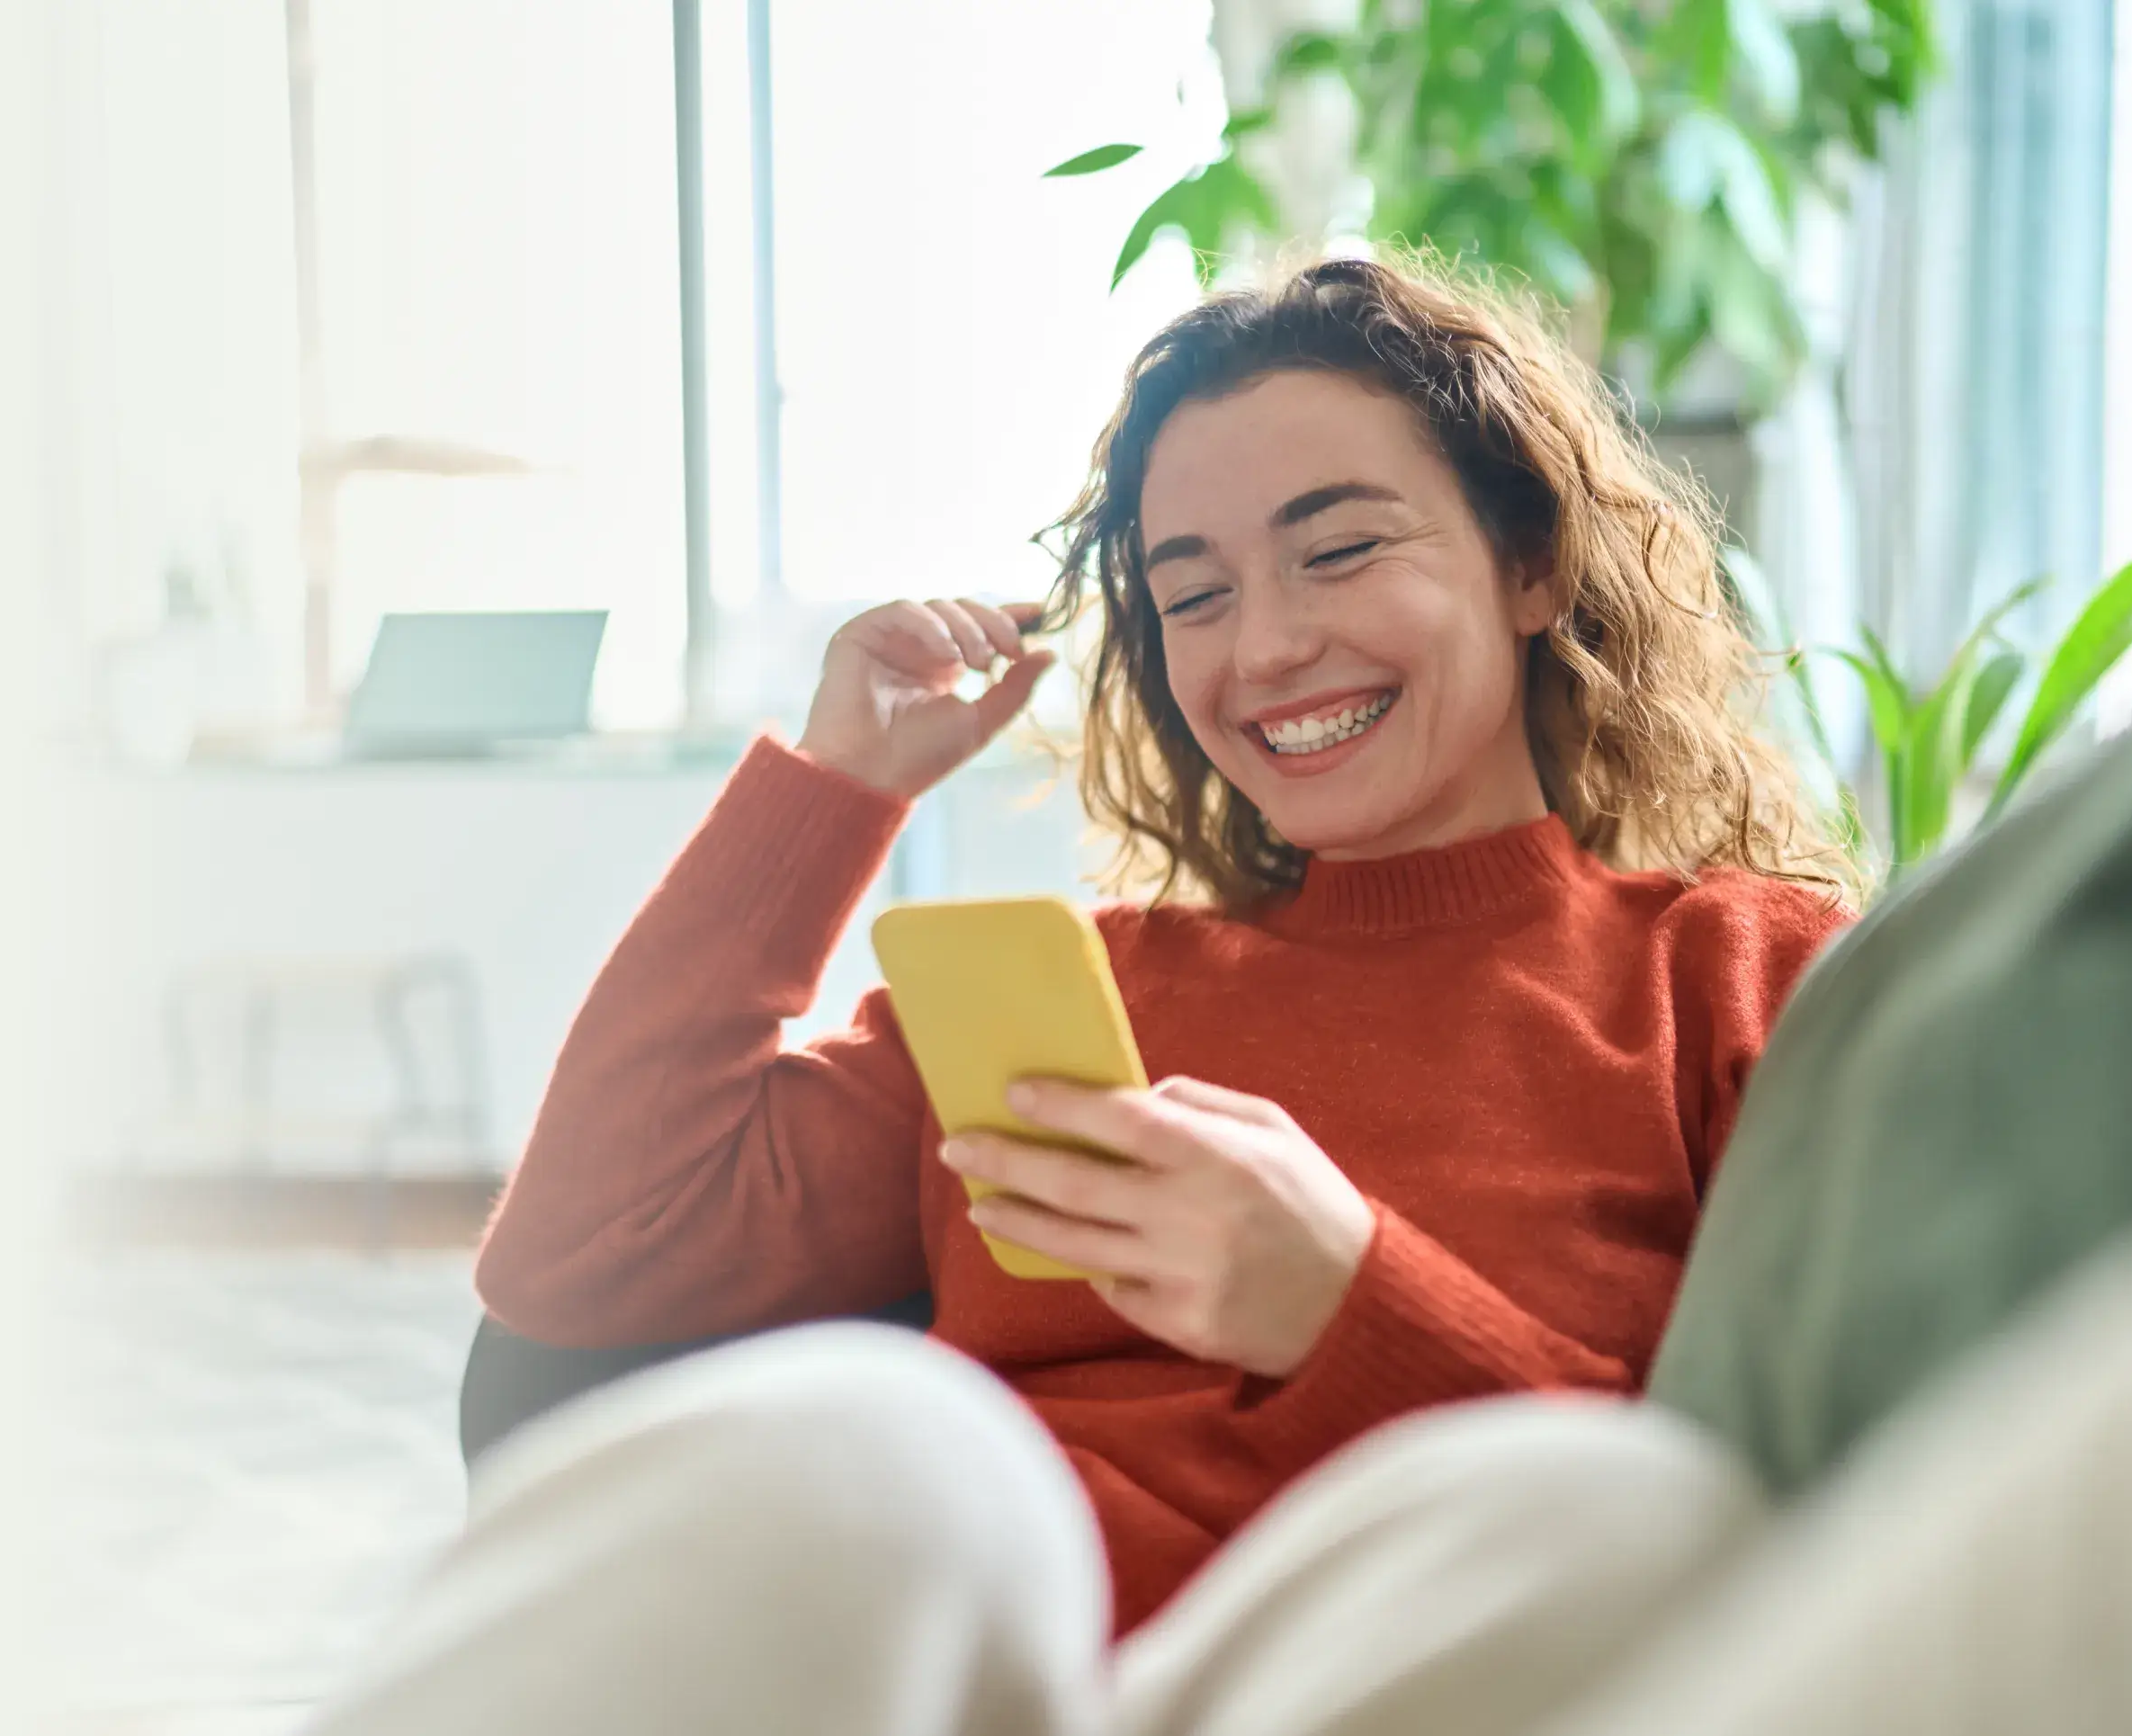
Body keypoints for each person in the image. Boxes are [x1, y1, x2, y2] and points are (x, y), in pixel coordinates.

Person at [309, 255, 1855, 1734]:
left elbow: (1771, 1533)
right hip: (993, 1680)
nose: (1269, 644)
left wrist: (1351, 1307)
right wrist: (837, 789)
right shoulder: (1072, 995)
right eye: (1194, 594)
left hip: (1402, 1678)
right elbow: (581, 1261)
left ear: (1533, 566)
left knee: (1621, 1514)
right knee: (890, 1443)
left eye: (1339, 548)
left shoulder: (1736, 974)